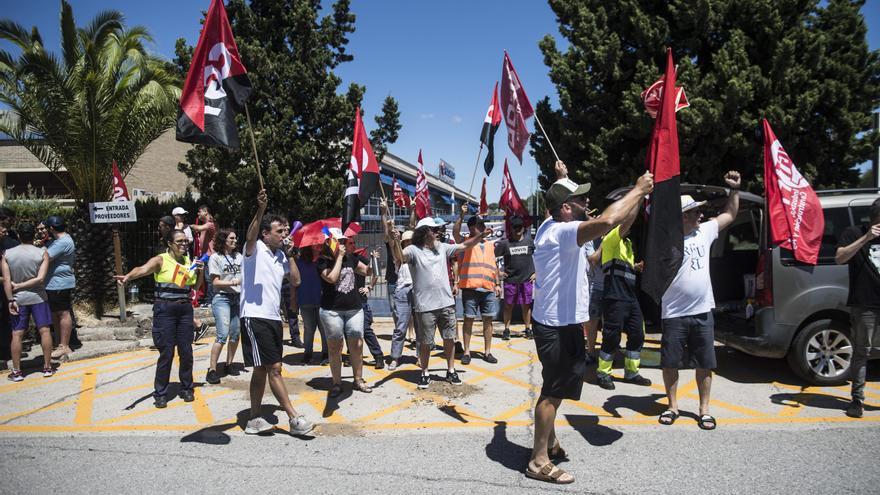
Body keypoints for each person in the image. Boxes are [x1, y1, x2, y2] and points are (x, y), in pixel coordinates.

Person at [525, 161, 652, 484]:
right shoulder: (564, 233)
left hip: (561, 321)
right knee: (553, 392)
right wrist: (638, 189)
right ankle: (538, 461)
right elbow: (609, 219)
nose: (587, 205)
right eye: (580, 201)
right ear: (566, 208)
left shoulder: (549, 226)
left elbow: (614, 225)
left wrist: (562, 179)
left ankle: (549, 442)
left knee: (554, 386)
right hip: (556, 325)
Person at [657, 172, 741, 431]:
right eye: (694, 213)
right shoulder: (665, 240)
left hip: (702, 311)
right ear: (683, 216)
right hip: (673, 312)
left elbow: (729, 215)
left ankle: (704, 410)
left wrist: (734, 191)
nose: (700, 216)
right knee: (670, 363)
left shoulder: (705, 231)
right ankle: (672, 407)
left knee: (705, 363)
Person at [239, 190, 313, 436]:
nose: (284, 234)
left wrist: (291, 256)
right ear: (266, 234)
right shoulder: (255, 249)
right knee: (275, 368)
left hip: (272, 318)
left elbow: (297, 280)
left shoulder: (281, 255)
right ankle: (294, 418)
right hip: (254, 315)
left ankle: (254, 418)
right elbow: (250, 235)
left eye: (285, 231)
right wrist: (260, 209)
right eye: (279, 231)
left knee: (261, 369)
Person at [389, 215, 491, 390]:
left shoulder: (443, 247)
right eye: (434, 230)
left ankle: (451, 370)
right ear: (423, 233)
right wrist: (394, 241)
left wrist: (480, 237)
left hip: (446, 303)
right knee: (426, 342)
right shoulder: (413, 250)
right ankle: (425, 373)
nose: (438, 232)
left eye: (438, 230)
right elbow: (399, 256)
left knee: (449, 338)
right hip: (425, 306)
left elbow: (465, 245)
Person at [116, 229, 204, 407]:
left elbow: (195, 285)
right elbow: (142, 269)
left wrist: (201, 271)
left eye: (185, 241)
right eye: (179, 241)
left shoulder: (189, 262)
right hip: (165, 309)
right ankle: (160, 393)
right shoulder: (161, 260)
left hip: (185, 308)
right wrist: (128, 277)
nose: (184, 244)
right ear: (170, 244)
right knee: (167, 352)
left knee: (186, 352)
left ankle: (187, 388)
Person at [595, 204, 652, 389]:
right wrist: (639, 198)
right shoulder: (610, 238)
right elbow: (627, 222)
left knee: (637, 333)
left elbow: (621, 266)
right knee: (612, 336)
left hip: (630, 297)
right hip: (615, 297)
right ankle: (603, 372)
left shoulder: (627, 244)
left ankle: (631, 372)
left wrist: (634, 267)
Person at [835, 197, 880, 418]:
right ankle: (857, 401)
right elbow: (840, 258)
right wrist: (866, 238)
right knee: (862, 352)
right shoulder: (854, 232)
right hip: (865, 304)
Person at [317, 229, 373, 397]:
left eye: (343, 241)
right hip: (331, 311)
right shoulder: (322, 261)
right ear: (329, 243)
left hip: (354, 309)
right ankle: (336, 383)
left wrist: (374, 262)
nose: (342, 244)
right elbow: (332, 278)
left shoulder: (351, 258)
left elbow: (367, 271)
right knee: (335, 347)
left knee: (357, 344)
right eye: (338, 241)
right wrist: (340, 258)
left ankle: (358, 379)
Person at [3, 223, 53, 382]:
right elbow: (40, 278)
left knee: (17, 334)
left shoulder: (7, 254)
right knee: (44, 330)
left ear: (18, 236)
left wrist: (11, 298)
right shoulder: (42, 252)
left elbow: (6, 279)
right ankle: (47, 367)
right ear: (34, 236)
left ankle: (17, 372)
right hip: (38, 297)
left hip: (18, 298)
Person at [453, 206, 502, 364]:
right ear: (472, 228)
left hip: (487, 288)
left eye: (483, 225)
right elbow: (455, 232)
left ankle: (487, 352)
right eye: (480, 225)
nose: (483, 227)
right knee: (469, 320)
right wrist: (461, 214)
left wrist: (498, 284)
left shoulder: (489, 244)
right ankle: (467, 352)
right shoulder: (465, 242)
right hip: (470, 288)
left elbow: (493, 266)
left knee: (488, 321)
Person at [205, 229, 242, 385]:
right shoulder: (215, 258)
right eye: (231, 238)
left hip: (236, 298)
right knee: (222, 335)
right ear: (223, 240)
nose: (235, 240)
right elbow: (215, 282)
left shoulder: (239, 257)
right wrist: (233, 282)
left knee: (235, 334)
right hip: (222, 298)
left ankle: (229, 364)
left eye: (235, 238)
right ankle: (212, 370)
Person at [495, 216, 535, 341]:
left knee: (526, 306)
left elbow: (541, 257)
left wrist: (537, 273)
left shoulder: (530, 242)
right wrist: (499, 273)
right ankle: (506, 330)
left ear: (523, 228)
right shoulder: (505, 243)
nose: (517, 229)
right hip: (510, 281)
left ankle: (528, 329)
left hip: (526, 280)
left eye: (519, 227)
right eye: (515, 227)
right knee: (508, 306)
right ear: (511, 229)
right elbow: (491, 258)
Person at [42, 216, 76, 361]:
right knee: (56, 313)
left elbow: (45, 257)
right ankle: (59, 343)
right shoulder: (60, 241)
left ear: (51, 228)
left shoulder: (62, 242)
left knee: (63, 313)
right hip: (54, 283)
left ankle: (64, 345)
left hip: (59, 283)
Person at [353, 243, 386, 370]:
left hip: (360, 301)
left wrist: (369, 287)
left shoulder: (358, 258)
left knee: (366, 329)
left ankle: (378, 356)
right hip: (347, 301)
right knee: (350, 332)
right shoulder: (341, 259)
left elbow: (375, 273)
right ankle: (354, 356)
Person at [296, 246, 327, 365]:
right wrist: (294, 300)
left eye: (319, 243)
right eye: (315, 243)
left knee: (324, 329)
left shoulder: (324, 260)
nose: (318, 245)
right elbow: (295, 283)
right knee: (309, 329)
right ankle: (308, 353)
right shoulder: (300, 262)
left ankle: (326, 354)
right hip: (305, 299)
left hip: (322, 300)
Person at [584, 239, 603, 364]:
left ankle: (607, 353)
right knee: (592, 322)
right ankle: (591, 352)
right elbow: (593, 260)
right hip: (595, 286)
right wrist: (604, 243)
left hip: (613, 286)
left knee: (610, 323)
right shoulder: (590, 240)